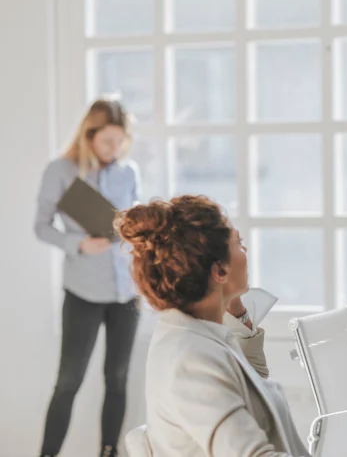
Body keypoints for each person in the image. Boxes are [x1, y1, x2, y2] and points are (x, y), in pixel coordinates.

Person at [114, 195, 310, 456]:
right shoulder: (191, 359)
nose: (246, 252)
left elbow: (255, 383)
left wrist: (233, 304)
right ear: (219, 272)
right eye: (239, 243)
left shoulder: (199, 332)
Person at [35, 99, 141, 457]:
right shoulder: (61, 171)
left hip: (126, 293)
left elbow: (135, 227)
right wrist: (77, 243)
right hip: (83, 291)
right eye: (107, 141)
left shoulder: (129, 173)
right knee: (69, 382)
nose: (115, 149)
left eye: (120, 142)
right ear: (88, 135)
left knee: (118, 379)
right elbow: (41, 226)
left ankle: (108, 453)